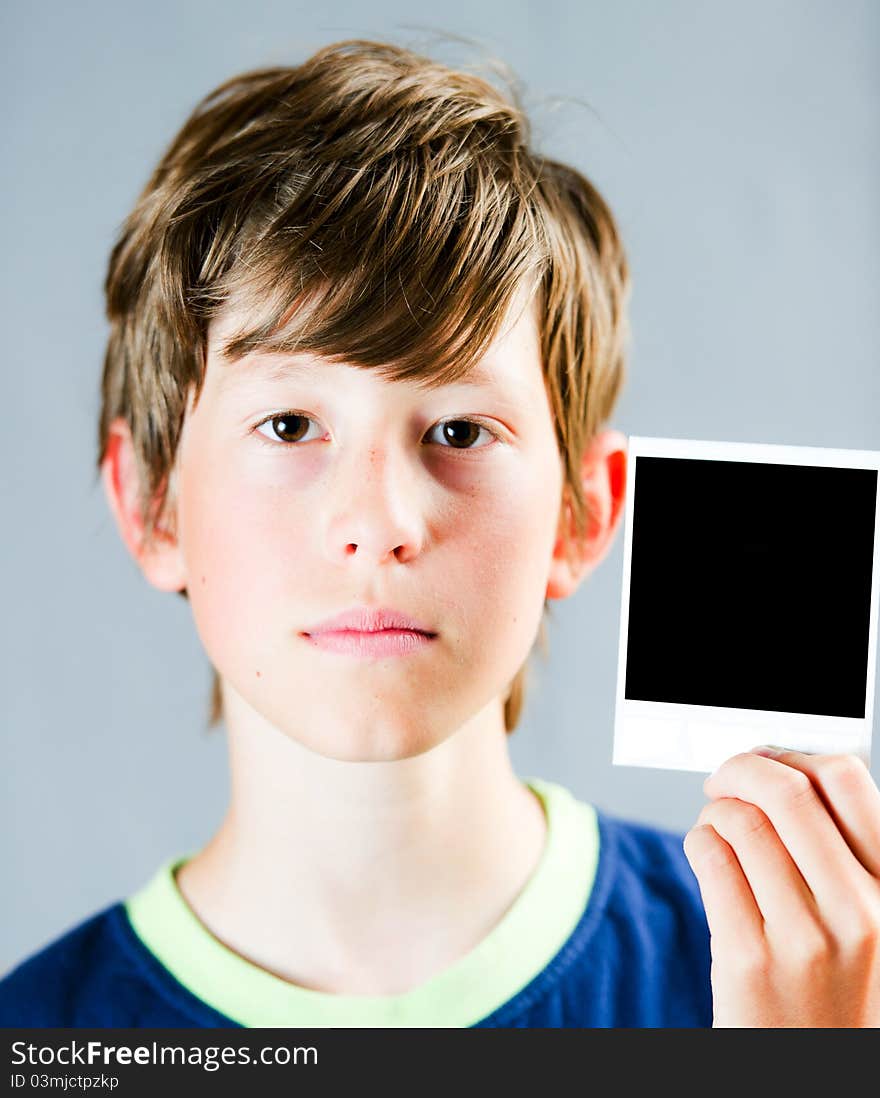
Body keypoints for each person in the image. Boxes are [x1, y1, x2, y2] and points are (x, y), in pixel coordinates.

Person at [2, 39, 878, 1029]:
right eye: (290, 425)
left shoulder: (798, 983)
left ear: (583, 511)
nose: (379, 524)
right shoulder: (39, 1039)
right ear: (152, 503)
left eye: (460, 430)